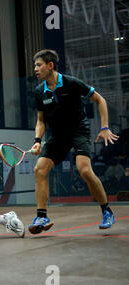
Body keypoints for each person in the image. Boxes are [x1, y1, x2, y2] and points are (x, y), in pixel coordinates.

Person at [30, 49, 119, 234]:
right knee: (40, 169)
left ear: (50, 65)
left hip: (78, 130)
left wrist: (104, 127)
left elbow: (99, 99)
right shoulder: (39, 92)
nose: (35, 69)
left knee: (84, 170)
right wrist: (38, 140)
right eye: (35, 65)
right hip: (58, 135)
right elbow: (41, 120)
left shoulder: (71, 83)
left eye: (39, 65)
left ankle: (107, 211)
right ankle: (41, 215)